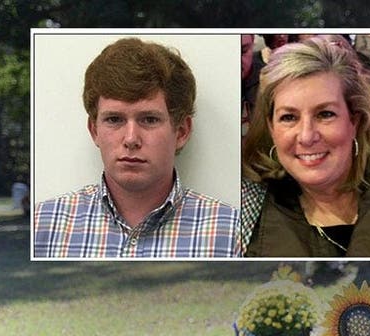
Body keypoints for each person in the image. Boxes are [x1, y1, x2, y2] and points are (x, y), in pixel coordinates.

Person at [33, 38, 239, 257]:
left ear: (181, 132)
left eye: (149, 119)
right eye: (114, 119)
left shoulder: (231, 233)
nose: (131, 139)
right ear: (94, 130)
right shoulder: (43, 225)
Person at [240, 37, 370, 258]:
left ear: (354, 120)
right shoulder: (248, 210)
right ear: (271, 127)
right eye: (288, 117)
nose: (306, 136)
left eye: (325, 114)